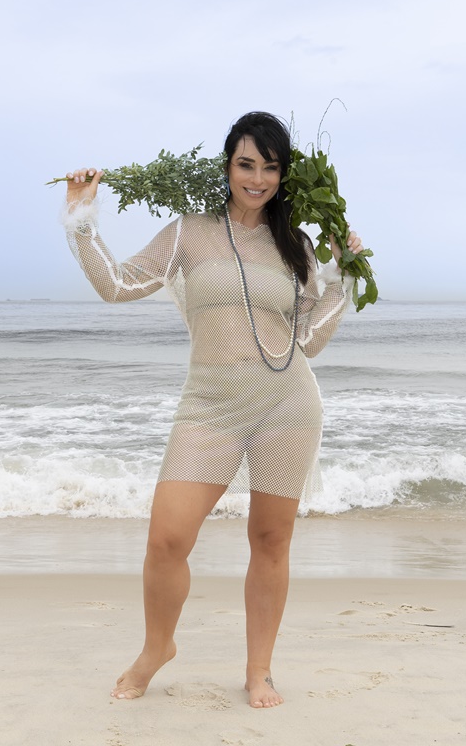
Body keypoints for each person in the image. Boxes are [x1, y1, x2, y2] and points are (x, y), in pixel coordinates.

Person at [58, 111, 362, 709]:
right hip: (210, 407)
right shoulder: (187, 235)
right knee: (167, 540)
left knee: (271, 539)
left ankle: (259, 670)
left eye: (270, 168)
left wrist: (341, 279)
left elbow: (307, 338)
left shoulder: (295, 245)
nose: (257, 179)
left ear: (283, 176)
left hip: (287, 404)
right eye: (246, 164)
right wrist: (81, 220)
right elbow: (117, 286)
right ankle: (156, 648)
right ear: (227, 166)